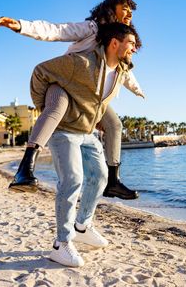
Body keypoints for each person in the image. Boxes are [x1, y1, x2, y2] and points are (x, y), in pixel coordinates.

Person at [0, 0, 143, 200]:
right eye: (125, 8)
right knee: (56, 108)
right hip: (64, 79)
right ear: (111, 8)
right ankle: (24, 170)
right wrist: (21, 26)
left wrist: (137, 89)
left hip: (88, 93)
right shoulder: (93, 28)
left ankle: (113, 181)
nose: (129, 13)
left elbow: (123, 70)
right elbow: (58, 30)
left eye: (131, 10)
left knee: (114, 125)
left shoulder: (118, 40)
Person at [33, 22, 138, 267]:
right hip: (63, 131)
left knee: (101, 177)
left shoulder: (120, 71)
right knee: (72, 180)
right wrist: (47, 109)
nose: (134, 49)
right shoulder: (82, 62)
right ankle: (62, 244)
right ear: (115, 43)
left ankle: (82, 225)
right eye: (131, 43)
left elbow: (98, 102)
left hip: (87, 132)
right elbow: (40, 72)